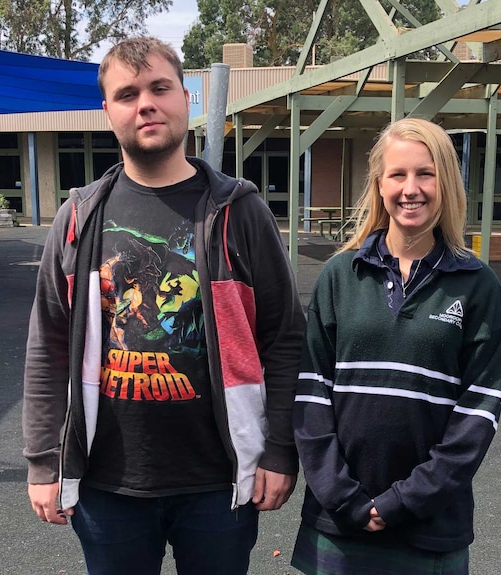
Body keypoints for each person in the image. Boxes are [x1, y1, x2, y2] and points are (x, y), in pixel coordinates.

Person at [22, 36, 305, 575]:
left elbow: (284, 336)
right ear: (107, 110)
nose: (145, 103)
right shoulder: (79, 218)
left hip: (219, 480)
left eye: (159, 87)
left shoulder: (238, 212)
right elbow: (49, 344)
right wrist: (43, 460)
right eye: (126, 94)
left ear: (185, 97)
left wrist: (277, 449)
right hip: (108, 484)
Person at [290, 118, 501, 575]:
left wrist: (403, 501)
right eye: (398, 174)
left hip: (430, 524)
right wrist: (345, 497)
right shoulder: (338, 277)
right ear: (379, 184)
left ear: (446, 182)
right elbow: (311, 397)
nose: (412, 188)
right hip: (338, 521)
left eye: (425, 173)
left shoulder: (478, 286)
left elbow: (477, 414)